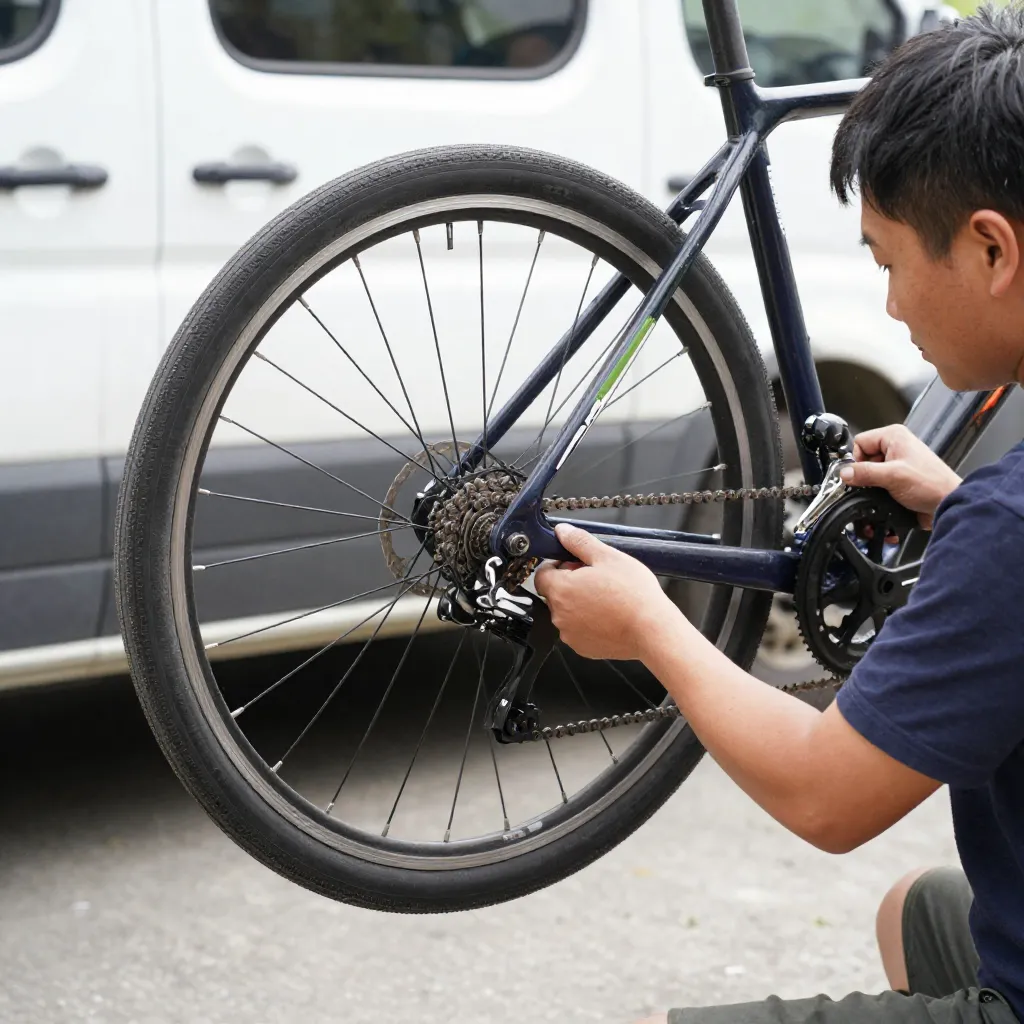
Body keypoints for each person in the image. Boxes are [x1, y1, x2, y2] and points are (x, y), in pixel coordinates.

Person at [534, 6, 1024, 1024]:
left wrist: (650, 625)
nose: (891, 305)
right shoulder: (999, 519)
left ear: (991, 250)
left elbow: (824, 795)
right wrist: (959, 504)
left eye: (888, 262)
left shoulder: (1008, 528)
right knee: (915, 912)